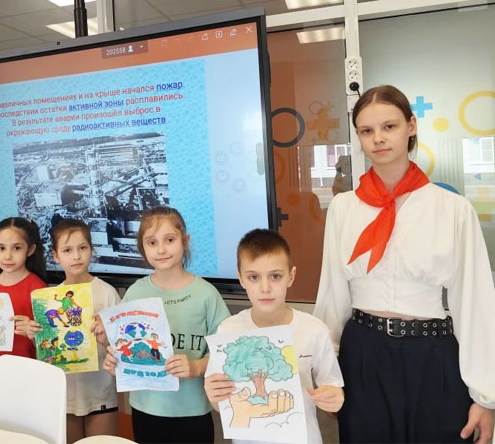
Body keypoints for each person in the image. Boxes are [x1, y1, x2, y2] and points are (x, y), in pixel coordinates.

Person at [314, 85, 495, 443]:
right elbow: (332, 293)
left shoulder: (452, 209)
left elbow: (475, 302)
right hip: (363, 353)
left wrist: (484, 396)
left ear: (411, 126)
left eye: (389, 126)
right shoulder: (344, 208)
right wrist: (326, 371)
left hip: (432, 354)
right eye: (367, 130)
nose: (378, 139)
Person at [104, 206, 231, 444]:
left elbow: (225, 352)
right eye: (152, 243)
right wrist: (115, 362)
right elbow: (122, 347)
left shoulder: (206, 294)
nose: (161, 249)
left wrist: (195, 367)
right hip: (146, 409)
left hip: (193, 411)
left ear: (185, 241)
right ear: (143, 248)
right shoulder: (135, 293)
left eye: (170, 240)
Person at [204, 229, 344, 443]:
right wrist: (214, 395)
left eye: (275, 276)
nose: (265, 288)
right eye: (253, 277)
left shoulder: (314, 330)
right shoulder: (228, 331)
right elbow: (219, 403)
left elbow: (333, 388)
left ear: (291, 276)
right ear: (241, 278)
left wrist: (335, 398)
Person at [50, 218, 120, 443]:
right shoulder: (50, 298)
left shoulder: (107, 293)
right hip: (66, 394)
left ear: (91, 249)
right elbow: (49, 350)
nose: (76, 256)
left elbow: (122, 345)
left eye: (82, 248)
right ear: (56, 256)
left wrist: (105, 337)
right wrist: (39, 336)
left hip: (101, 392)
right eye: (67, 250)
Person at [0, 217, 47, 378]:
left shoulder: (38, 290)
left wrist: (33, 333)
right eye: (1, 248)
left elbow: (49, 344)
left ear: (30, 250)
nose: (7, 256)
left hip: (29, 376)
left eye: (16, 248)